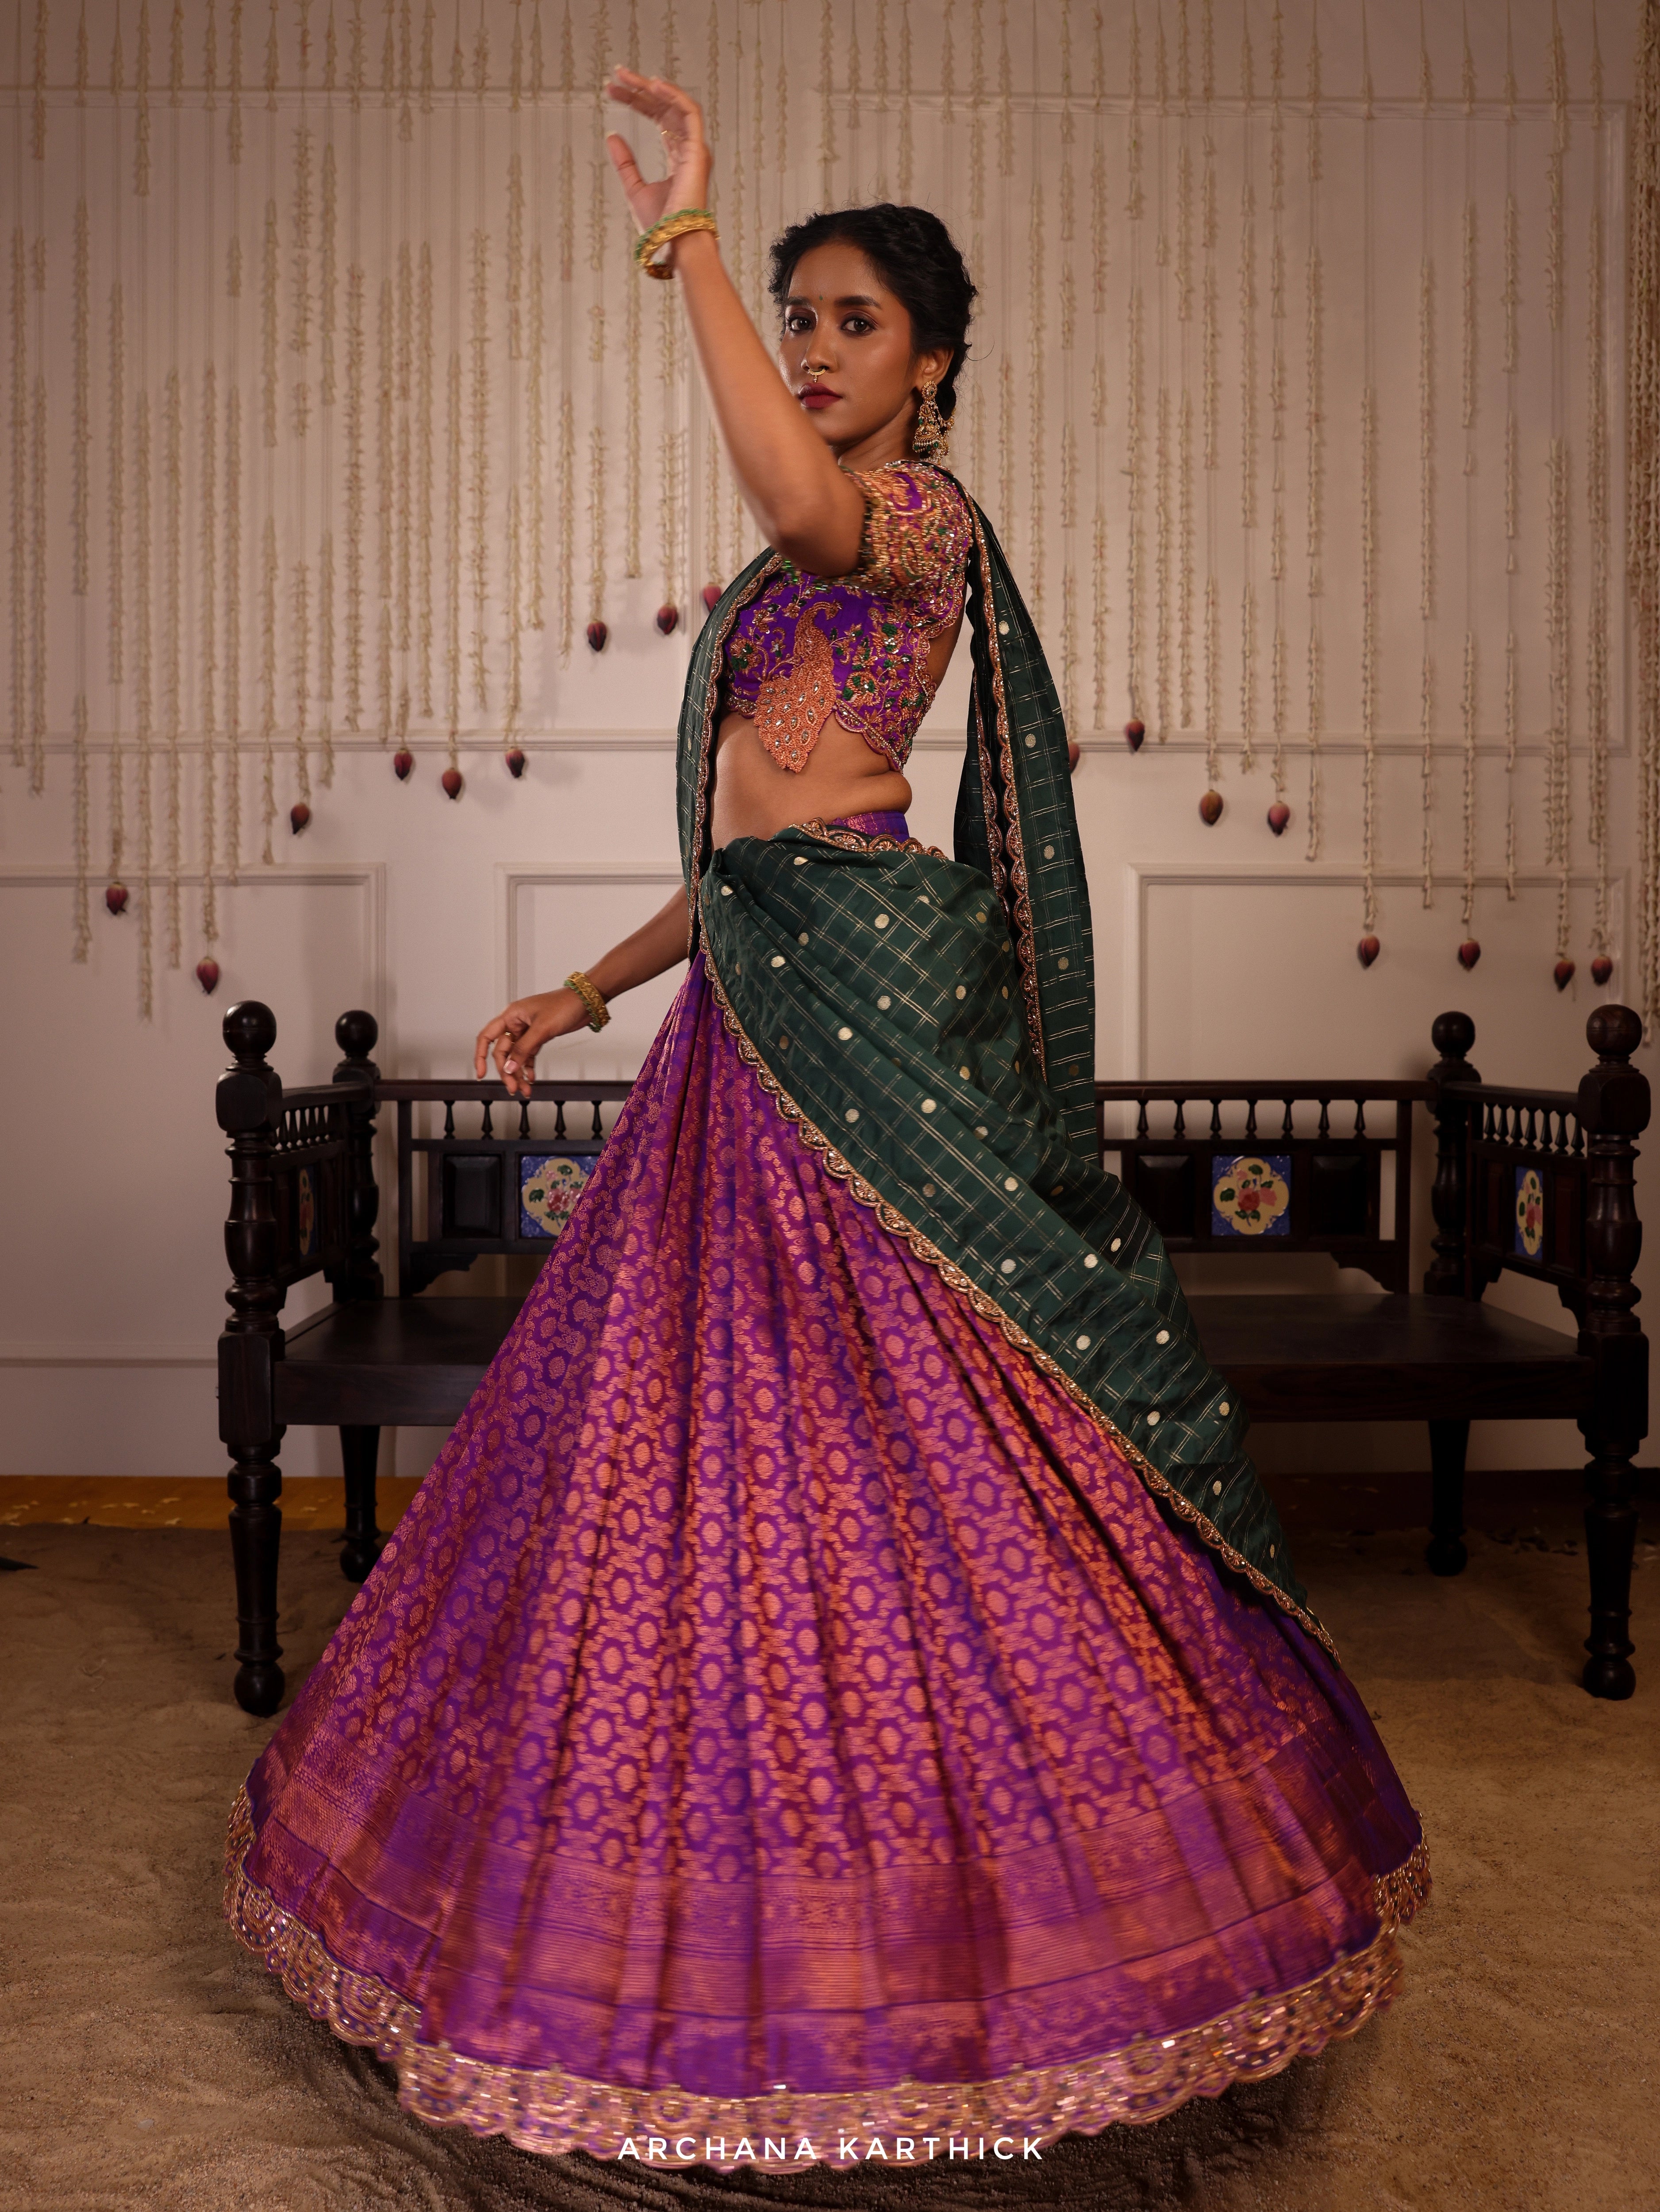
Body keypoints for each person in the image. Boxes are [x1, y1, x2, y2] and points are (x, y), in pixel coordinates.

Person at [224, 68, 1427, 2170]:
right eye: (796, 315)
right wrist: (588, 985)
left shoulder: (918, 527)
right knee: (664, 1443)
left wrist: (685, 235)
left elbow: (800, 523)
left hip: (868, 1022)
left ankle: (1015, 1928)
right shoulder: (790, 580)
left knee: (929, 1433)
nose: (811, 344)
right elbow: (742, 847)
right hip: (744, 1018)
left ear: (932, 361)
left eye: (850, 318)